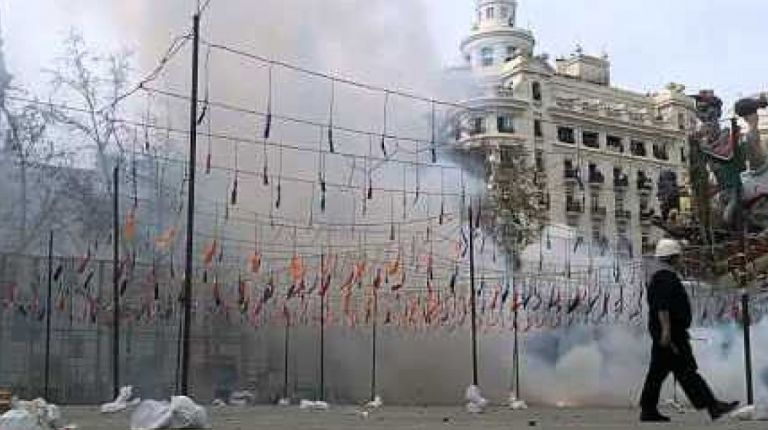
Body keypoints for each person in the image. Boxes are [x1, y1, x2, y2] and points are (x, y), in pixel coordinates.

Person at [639, 239, 739, 422]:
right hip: (671, 333)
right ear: (672, 257)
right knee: (686, 370)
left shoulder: (661, 276)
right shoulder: (665, 278)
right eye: (679, 256)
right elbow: (663, 307)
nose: (682, 259)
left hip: (667, 332)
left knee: (659, 372)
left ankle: (648, 409)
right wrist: (666, 331)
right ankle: (712, 405)